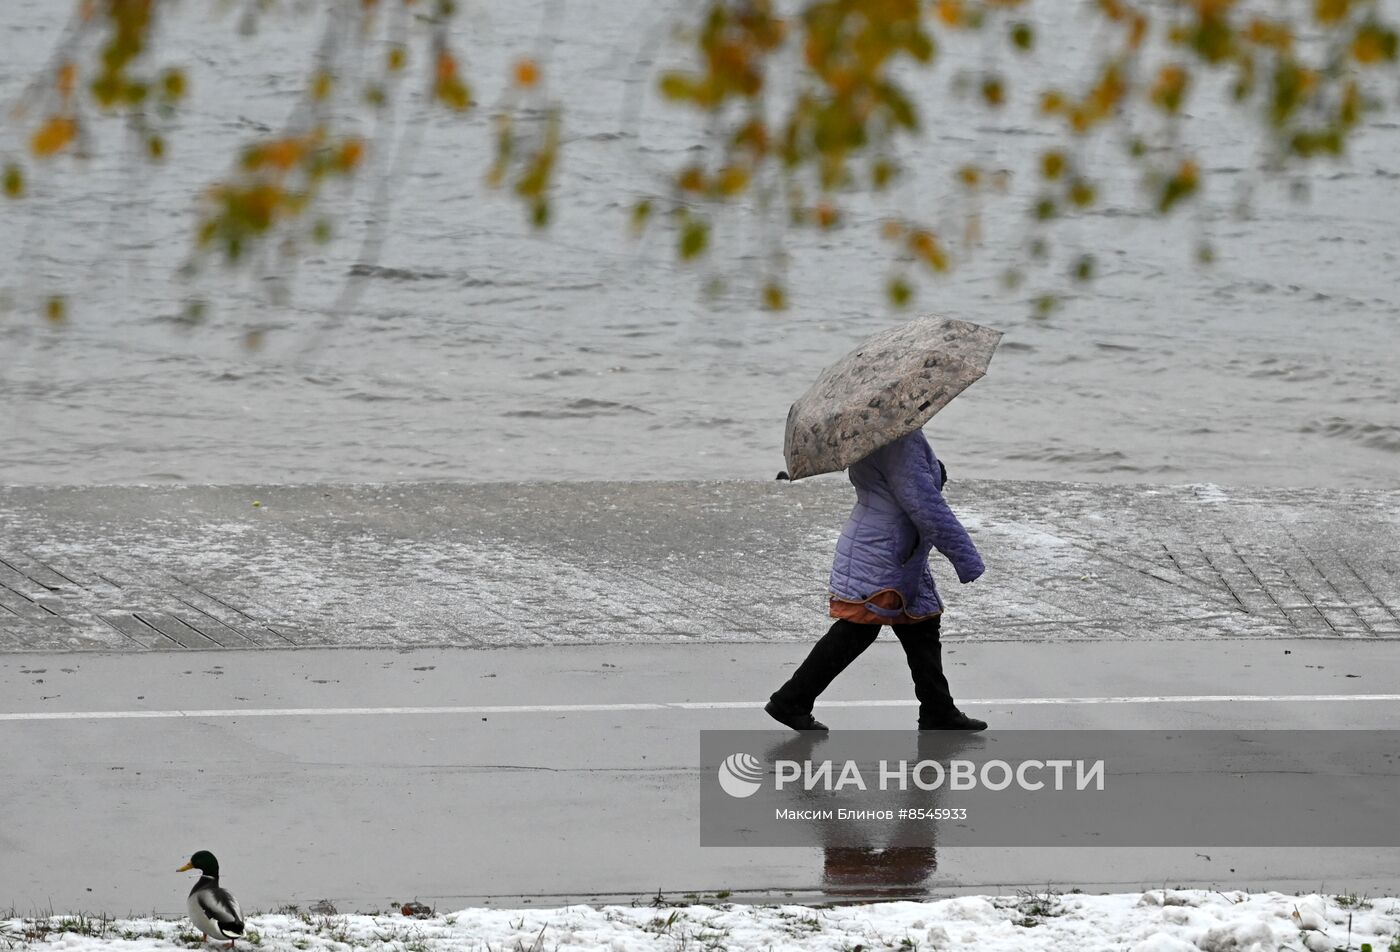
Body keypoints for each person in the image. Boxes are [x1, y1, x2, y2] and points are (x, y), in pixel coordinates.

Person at [766, 428, 987, 732]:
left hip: (896, 548)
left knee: (922, 625)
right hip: (887, 551)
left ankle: (938, 709)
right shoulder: (899, 439)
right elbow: (924, 505)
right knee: (858, 629)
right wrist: (966, 559)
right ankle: (791, 700)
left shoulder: (871, 434)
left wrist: (935, 472)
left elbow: (900, 485)